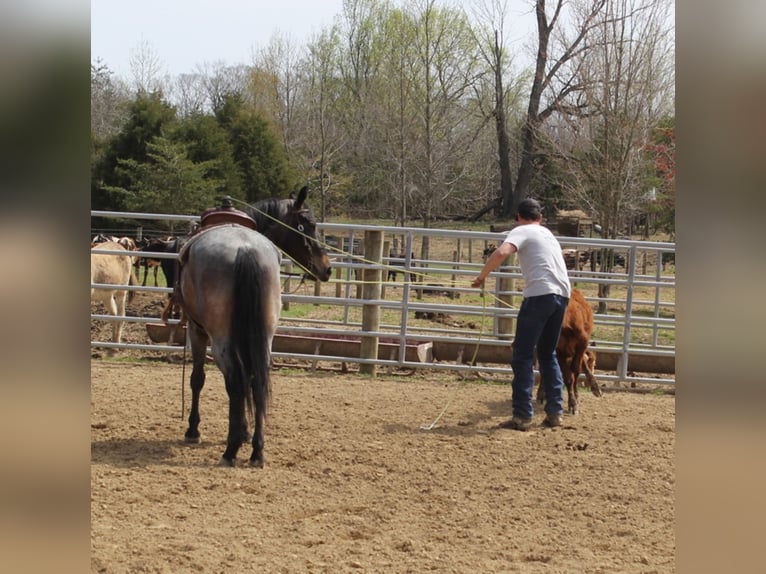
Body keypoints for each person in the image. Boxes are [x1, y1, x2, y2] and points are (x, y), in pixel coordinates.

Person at [471, 198, 571, 430]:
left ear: (518, 216)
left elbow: (502, 252)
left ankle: (522, 415)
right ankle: (555, 412)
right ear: (540, 217)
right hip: (561, 296)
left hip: (539, 296)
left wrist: (482, 276)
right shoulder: (547, 234)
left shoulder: (521, 231)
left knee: (522, 355)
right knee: (547, 354)